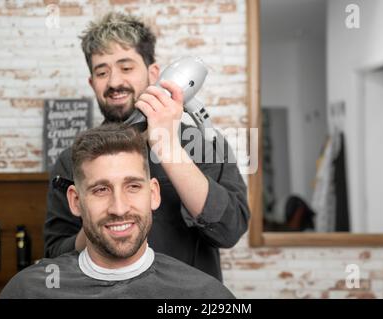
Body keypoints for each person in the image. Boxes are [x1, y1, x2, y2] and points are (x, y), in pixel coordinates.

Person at [44, 12, 250, 281]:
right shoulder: (71, 160)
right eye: (102, 71)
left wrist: (168, 147)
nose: (115, 82)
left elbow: (230, 229)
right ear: (92, 83)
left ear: (154, 73)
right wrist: (99, 220)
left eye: (126, 67)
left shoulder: (202, 144)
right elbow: (55, 256)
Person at [0, 124, 234, 298]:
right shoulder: (27, 291)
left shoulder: (205, 295)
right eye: (101, 190)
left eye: (132, 186)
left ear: (153, 194)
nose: (119, 208)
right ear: (75, 201)